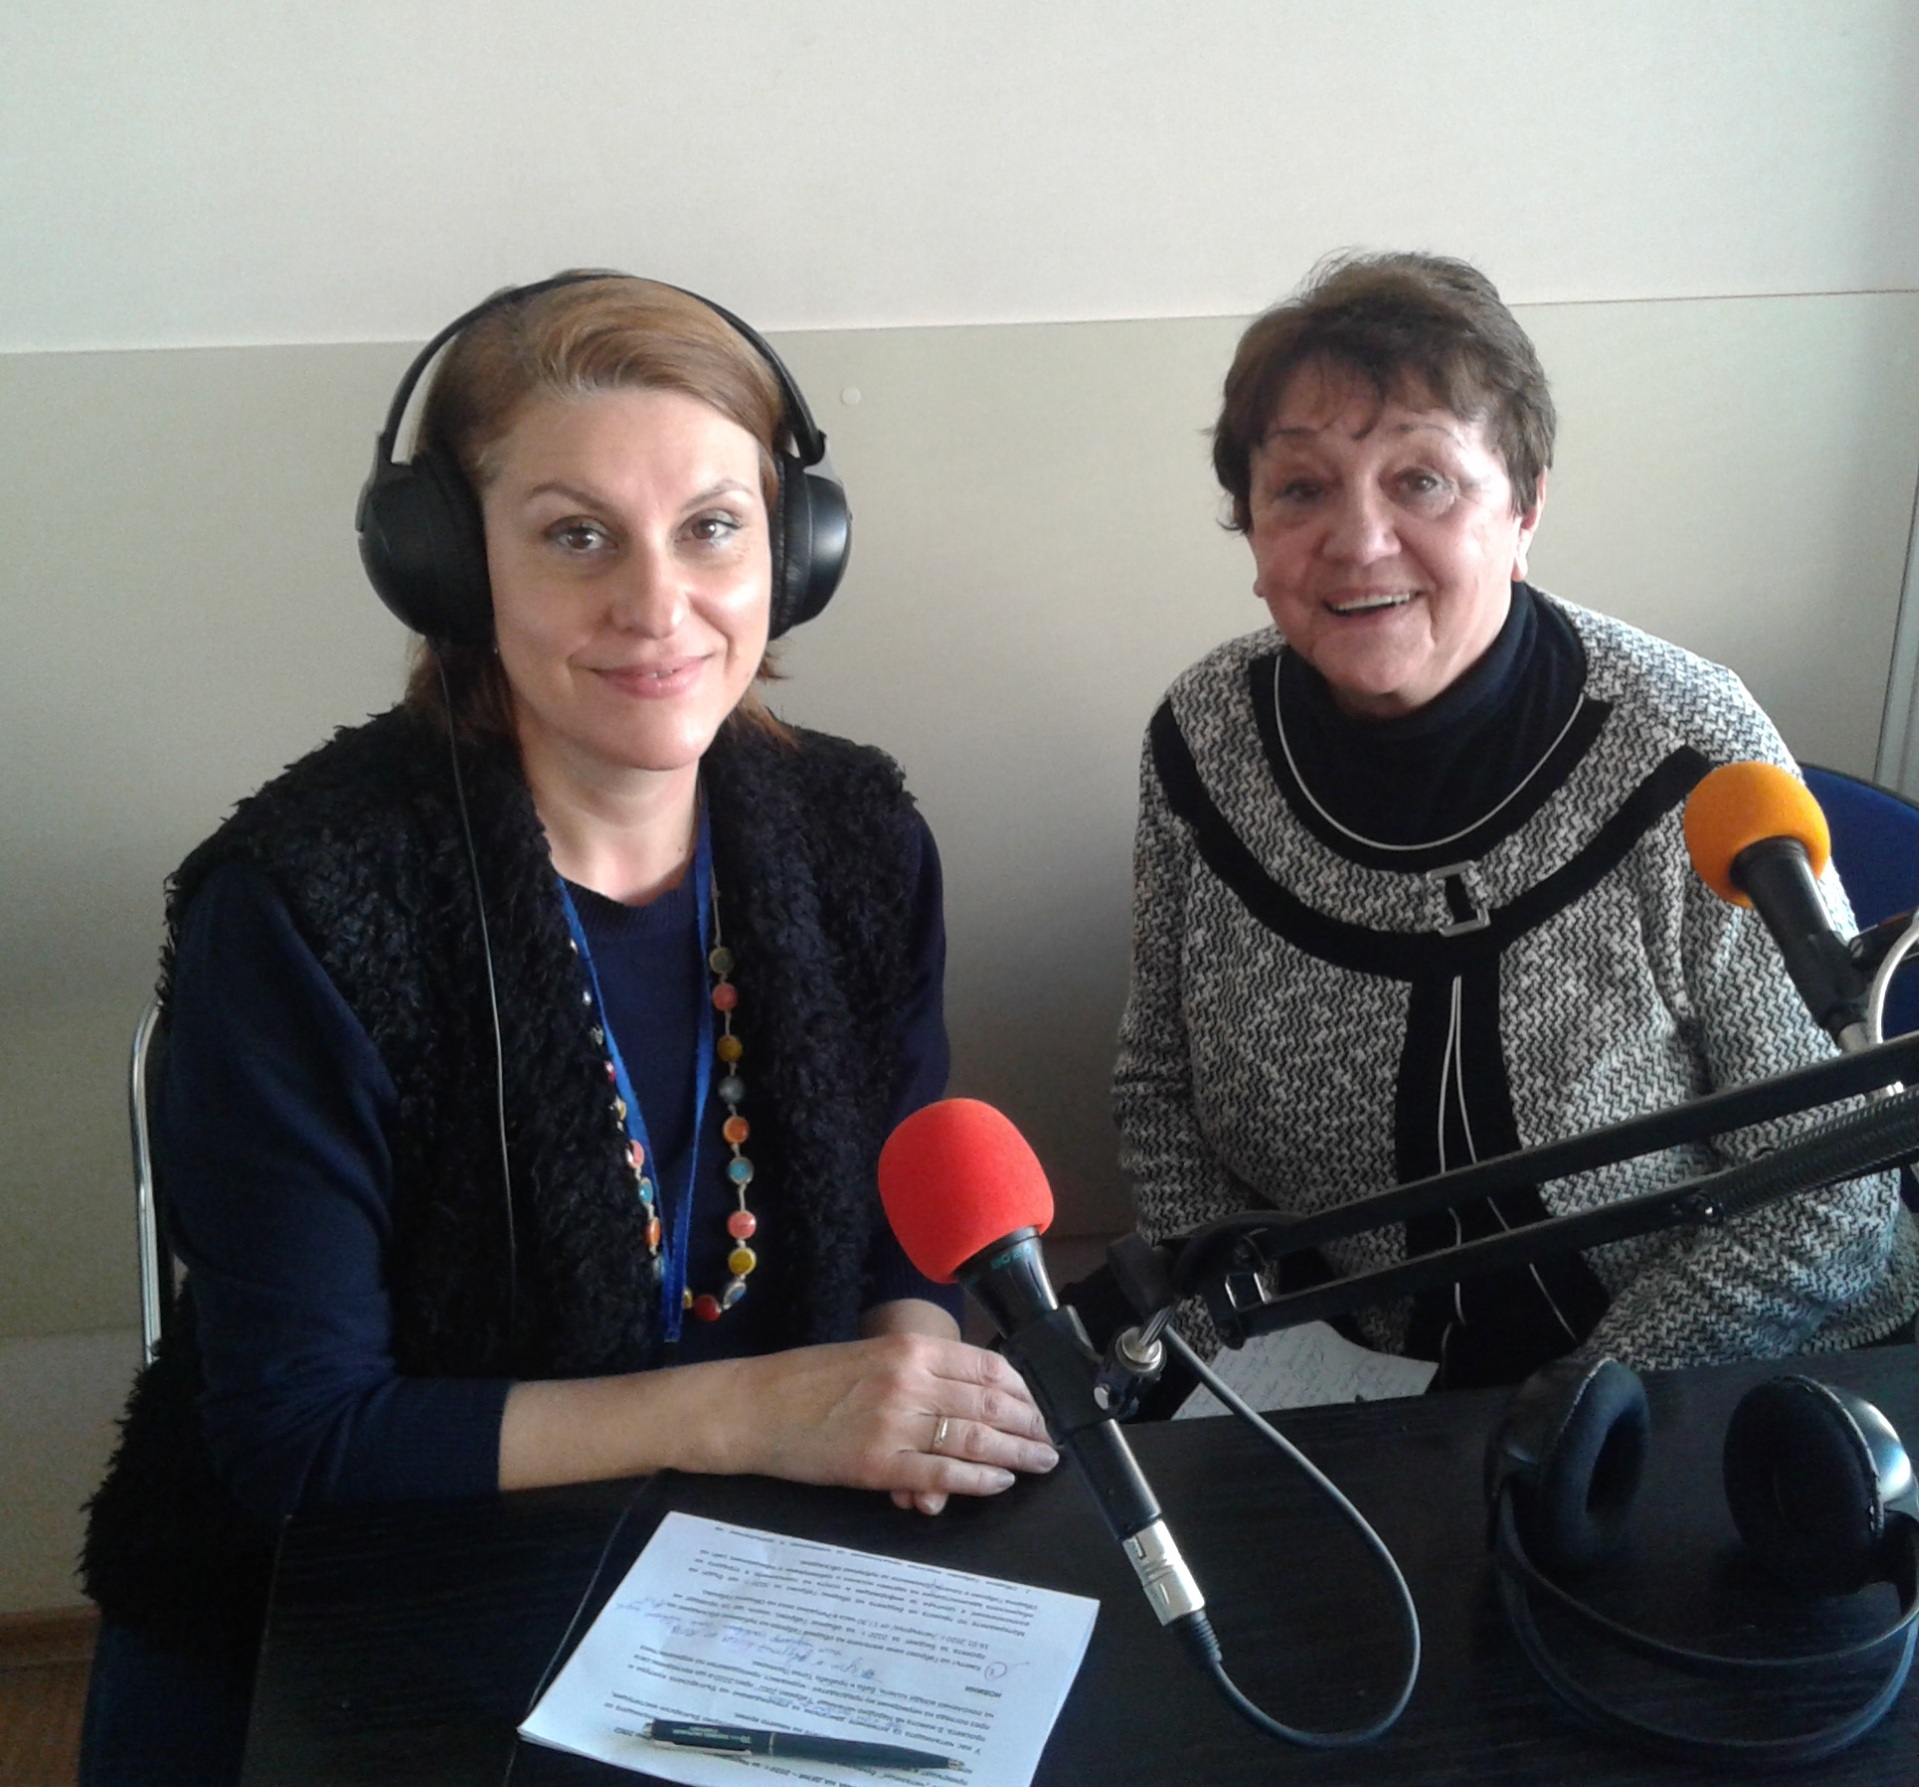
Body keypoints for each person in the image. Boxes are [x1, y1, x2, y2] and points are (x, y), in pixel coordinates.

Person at [80, 273, 1057, 1784]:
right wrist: (759, 1408)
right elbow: (303, 1437)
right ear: (449, 566)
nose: (657, 606)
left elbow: (895, 1238)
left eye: (711, 527)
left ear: (794, 550)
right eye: (576, 535)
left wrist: (909, 1375)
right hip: (363, 1599)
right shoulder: (302, 905)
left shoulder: (856, 837)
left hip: (759, 1568)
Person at [1114, 250, 1919, 1395]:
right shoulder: (1200, 742)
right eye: (1299, 489)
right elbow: (1156, 1095)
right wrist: (1250, 1348)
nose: (1357, 538)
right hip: (1347, 1400)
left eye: (1421, 480)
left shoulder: (1687, 744)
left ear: (1523, 507)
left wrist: (1569, 1417)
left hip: (1738, 1382)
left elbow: (1827, 1187)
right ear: (1249, 528)